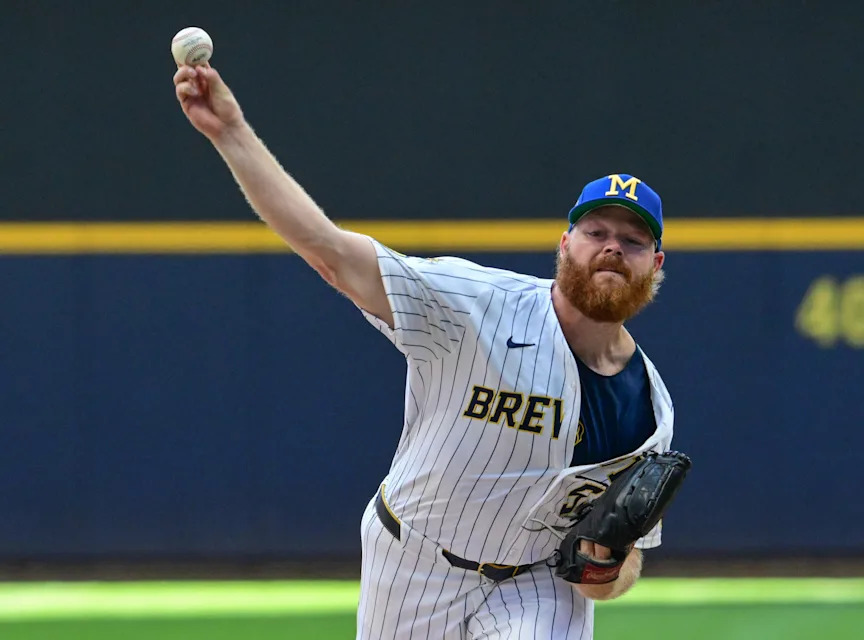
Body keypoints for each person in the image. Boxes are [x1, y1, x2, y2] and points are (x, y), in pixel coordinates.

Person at [174, 63, 676, 640]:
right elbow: (330, 251)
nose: (612, 248)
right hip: (414, 558)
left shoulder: (649, 414)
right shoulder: (474, 304)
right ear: (565, 244)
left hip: (535, 582)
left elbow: (618, 564)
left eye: (633, 241)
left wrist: (608, 569)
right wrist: (231, 132)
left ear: (655, 265)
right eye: (596, 233)